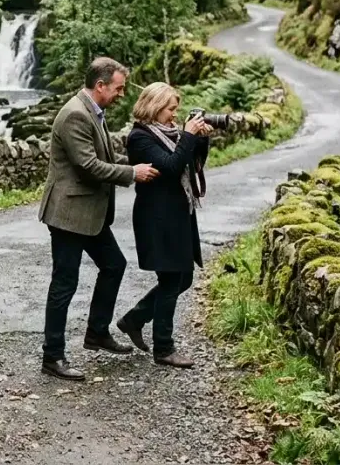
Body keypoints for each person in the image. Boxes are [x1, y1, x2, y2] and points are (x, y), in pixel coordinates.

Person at [37, 57, 160, 381]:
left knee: (114, 265)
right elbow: (89, 166)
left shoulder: (93, 111)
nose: (121, 94)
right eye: (118, 88)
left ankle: (96, 332)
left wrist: (147, 160)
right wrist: (133, 173)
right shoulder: (76, 115)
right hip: (68, 214)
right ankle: (53, 356)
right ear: (101, 85)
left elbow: (105, 157)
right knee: (64, 283)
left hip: (88, 214)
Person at [117, 82, 212, 369]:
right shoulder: (139, 138)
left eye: (176, 110)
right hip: (157, 219)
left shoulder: (171, 134)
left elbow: (190, 164)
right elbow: (170, 168)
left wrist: (201, 139)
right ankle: (164, 348)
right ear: (155, 107)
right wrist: (188, 136)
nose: (174, 115)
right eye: (170, 109)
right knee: (172, 279)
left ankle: (134, 319)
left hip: (178, 215)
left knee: (183, 278)